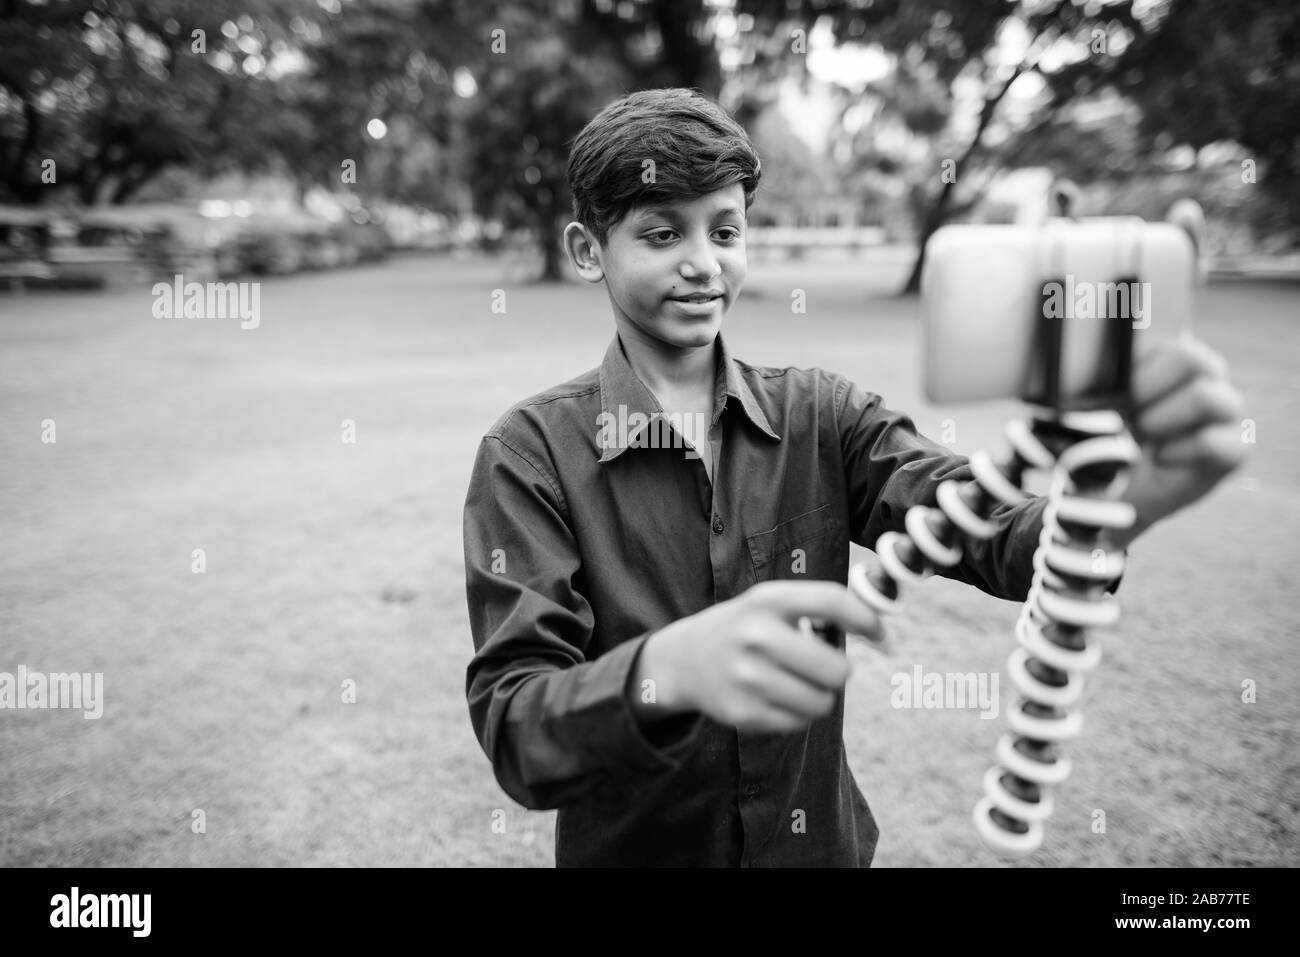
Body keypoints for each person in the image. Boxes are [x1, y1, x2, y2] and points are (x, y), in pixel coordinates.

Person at [461, 88, 1248, 867]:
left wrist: (1131, 497)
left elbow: (983, 526)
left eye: (725, 230)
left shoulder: (822, 415)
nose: (703, 264)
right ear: (588, 249)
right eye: (663, 233)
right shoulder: (529, 455)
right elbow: (518, 725)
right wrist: (669, 669)